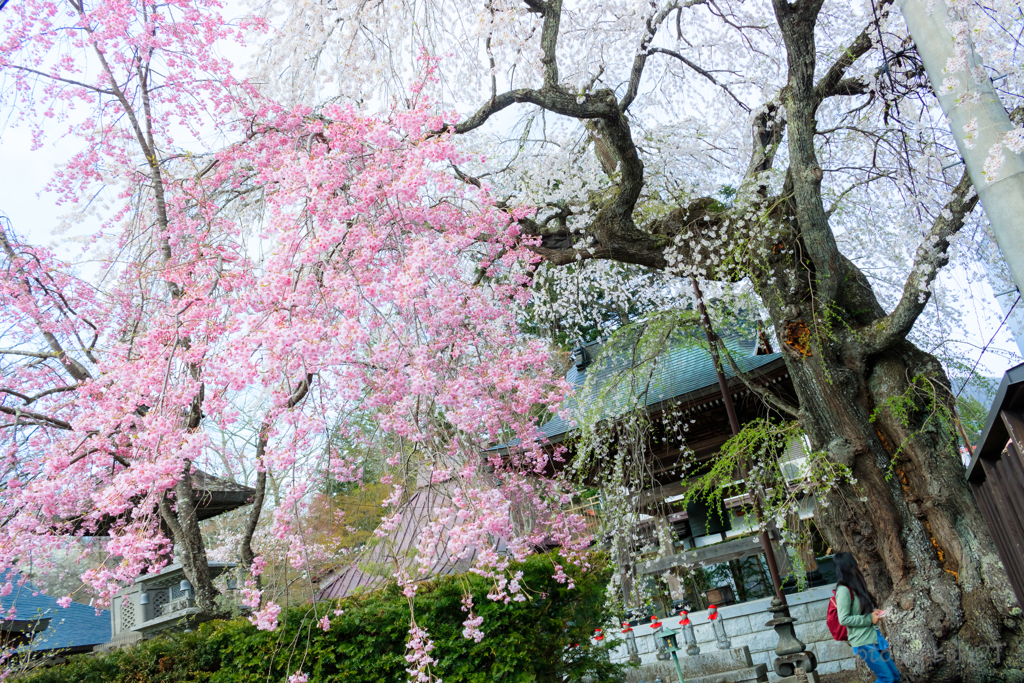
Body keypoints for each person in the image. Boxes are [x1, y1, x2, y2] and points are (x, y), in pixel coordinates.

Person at [834, 551, 901, 682]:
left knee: (895, 677)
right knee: (887, 678)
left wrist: (873, 612)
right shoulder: (843, 591)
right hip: (863, 642)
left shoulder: (855, 586)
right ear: (848, 566)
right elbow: (843, 619)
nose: (858, 565)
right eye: (854, 562)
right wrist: (869, 618)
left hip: (874, 637)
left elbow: (859, 611)